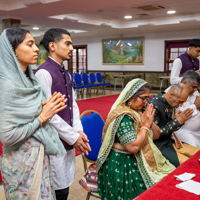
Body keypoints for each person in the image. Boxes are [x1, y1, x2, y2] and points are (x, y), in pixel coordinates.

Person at [0, 28, 67, 199]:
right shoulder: (6, 87)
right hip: (21, 162)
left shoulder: (32, 80)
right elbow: (7, 136)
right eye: (29, 45)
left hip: (39, 156)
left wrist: (48, 111)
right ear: (12, 50)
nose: (36, 48)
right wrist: (43, 116)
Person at [35, 28, 91, 200]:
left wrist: (78, 131)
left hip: (67, 136)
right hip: (53, 139)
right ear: (52, 46)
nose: (71, 48)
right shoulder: (43, 73)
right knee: (57, 188)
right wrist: (72, 136)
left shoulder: (65, 72)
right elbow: (47, 113)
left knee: (65, 182)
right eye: (67, 43)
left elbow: (72, 104)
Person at [96, 79, 176, 200]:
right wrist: (145, 125)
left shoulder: (138, 110)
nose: (145, 102)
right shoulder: (123, 116)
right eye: (142, 98)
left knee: (169, 176)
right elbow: (133, 147)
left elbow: (155, 136)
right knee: (154, 189)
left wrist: (150, 123)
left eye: (147, 98)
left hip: (136, 157)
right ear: (130, 96)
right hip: (121, 163)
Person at [147, 83, 200, 167]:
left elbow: (170, 127)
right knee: (190, 164)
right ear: (171, 94)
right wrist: (176, 122)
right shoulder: (153, 105)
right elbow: (153, 134)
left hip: (170, 141)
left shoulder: (170, 102)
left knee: (198, 154)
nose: (181, 105)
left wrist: (179, 121)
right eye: (180, 101)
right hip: (157, 145)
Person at [172, 70, 200, 148]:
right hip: (183, 131)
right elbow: (180, 115)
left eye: (197, 87)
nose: (195, 89)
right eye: (193, 86)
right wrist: (195, 106)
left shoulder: (194, 92)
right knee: (194, 148)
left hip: (197, 131)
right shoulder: (174, 92)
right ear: (184, 83)